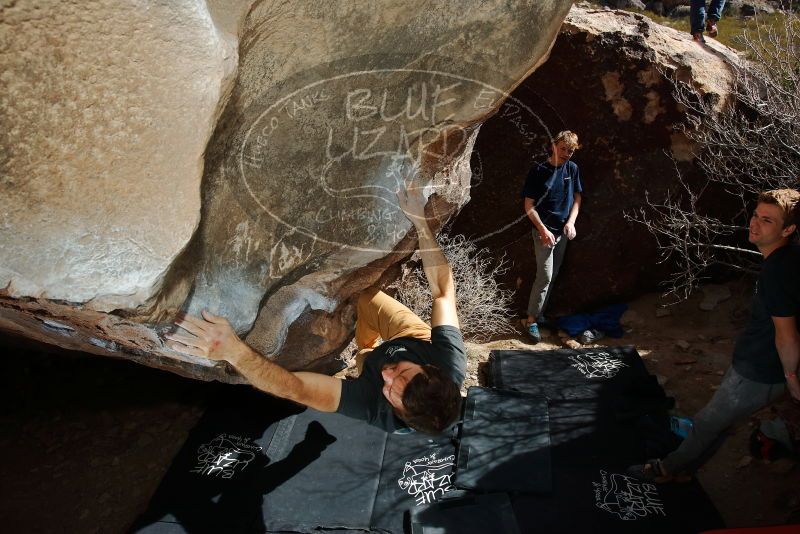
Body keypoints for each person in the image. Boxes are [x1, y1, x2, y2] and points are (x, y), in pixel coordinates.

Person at [165, 177, 466, 435]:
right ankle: (366, 342)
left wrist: (233, 351)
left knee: (367, 359)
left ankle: (363, 353)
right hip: (412, 337)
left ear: (397, 412)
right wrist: (420, 222)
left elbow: (296, 388)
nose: (388, 375)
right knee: (364, 297)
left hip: (380, 367)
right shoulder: (448, 360)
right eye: (402, 372)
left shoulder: (371, 406)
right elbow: (442, 290)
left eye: (391, 390)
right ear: (429, 368)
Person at [630, 188, 800, 482]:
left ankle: (668, 470)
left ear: (788, 229)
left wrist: (792, 378)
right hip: (760, 363)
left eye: (767, 220)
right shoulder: (787, 258)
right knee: (719, 422)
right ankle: (688, 466)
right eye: (755, 215)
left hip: (759, 370)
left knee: (709, 422)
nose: (754, 223)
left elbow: (787, 335)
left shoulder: (776, 273)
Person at [520, 130, 583, 343]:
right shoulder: (539, 171)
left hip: (563, 231)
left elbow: (577, 198)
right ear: (553, 145)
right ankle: (530, 320)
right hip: (543, 232)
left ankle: (540, 314)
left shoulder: (572, 169)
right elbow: (528, 206)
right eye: (563, 148)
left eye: (571, 150)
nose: (566, 153)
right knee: (544, 276)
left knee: (554, 275)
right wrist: (542, 230)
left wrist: (571, 222)